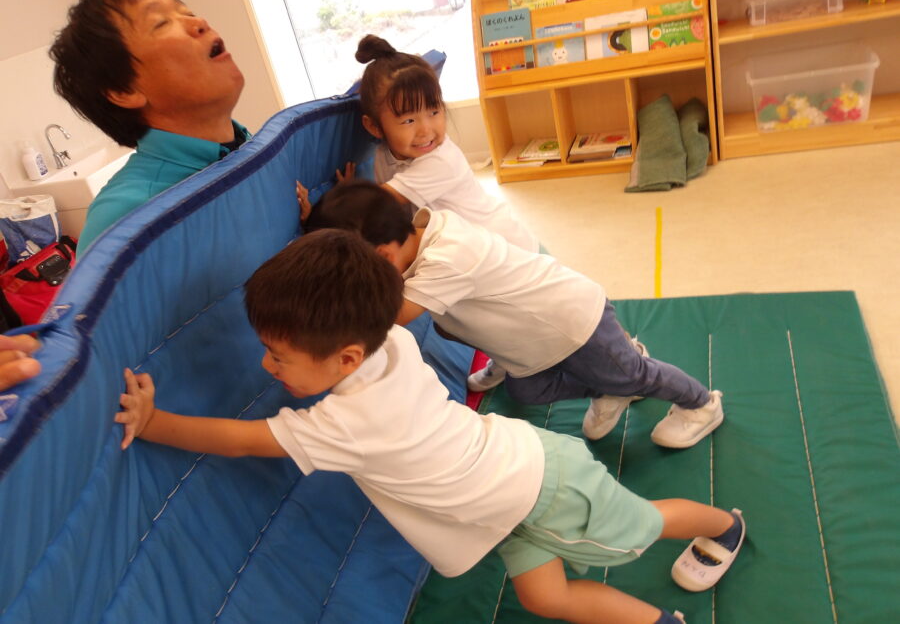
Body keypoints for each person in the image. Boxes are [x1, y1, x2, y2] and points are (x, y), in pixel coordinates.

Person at [115, 229, 746, 624]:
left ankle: (726, 526)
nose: (265, 366)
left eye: (278, 356)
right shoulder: (388, 343)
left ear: (346, 359)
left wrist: (153, 421)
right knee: (544, 599)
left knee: (644, 525)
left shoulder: (344, 423)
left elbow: (237, 440)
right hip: (507, 499)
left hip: (542, 490)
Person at [305, 181, 724, 449]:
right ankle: (607, 387)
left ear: (381, 256)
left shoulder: (447, 257)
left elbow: (395, 315)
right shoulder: (420, 233)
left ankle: (701, 404)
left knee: (635, 374)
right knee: (526, 392)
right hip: (531, 339)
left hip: (574, 321)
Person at [345, 33, 541, 392]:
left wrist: (339, 198)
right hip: (466, 255)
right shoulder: (384, 157)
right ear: (374, 127)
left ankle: (621, 355)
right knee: (477, 324)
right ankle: (507, 359)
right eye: (408, 121)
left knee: (546, 314)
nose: (426, 130)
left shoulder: (440, 161)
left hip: (504, 248)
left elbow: (375, 204)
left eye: (434, 112)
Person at [50, 0, 247, 253]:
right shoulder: (124, 220)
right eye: (161, 22)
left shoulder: (246, 145)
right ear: (123, 90)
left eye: (187, 12)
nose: (200, 22)